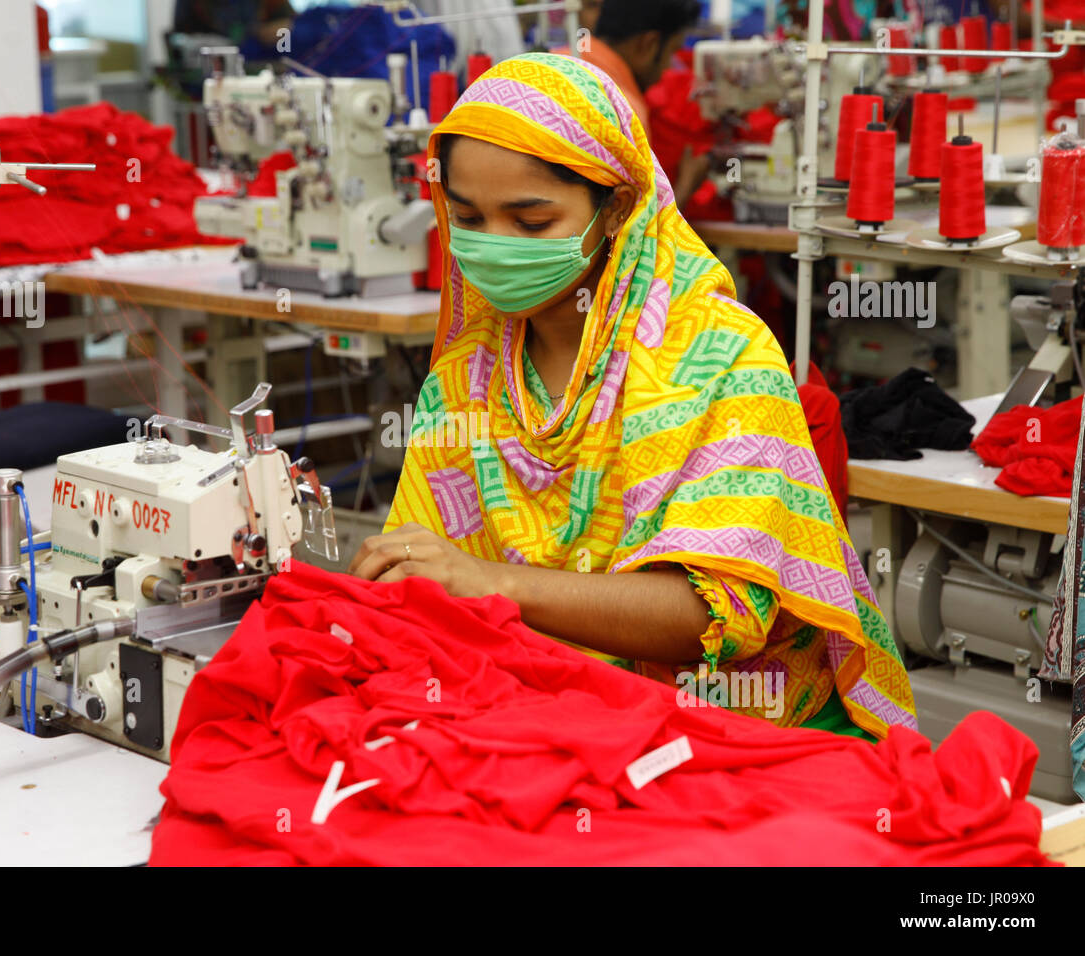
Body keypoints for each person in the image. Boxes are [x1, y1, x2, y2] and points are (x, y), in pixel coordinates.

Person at [347, 53, 916, 740]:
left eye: (530, 224)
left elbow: (713, 618)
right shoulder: (467, 376)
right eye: (467, 218)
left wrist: (487, 582)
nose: (492, 247)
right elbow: (428, 581)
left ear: (617, 207)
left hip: (745, 731)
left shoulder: (724, 357)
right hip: (563, 713)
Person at [554, 0, 707, 202]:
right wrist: (685, 187)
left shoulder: (554, 59)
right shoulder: (625, 113)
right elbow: (627, 227)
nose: (667, 69)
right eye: (671, 51)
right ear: (649, 44)